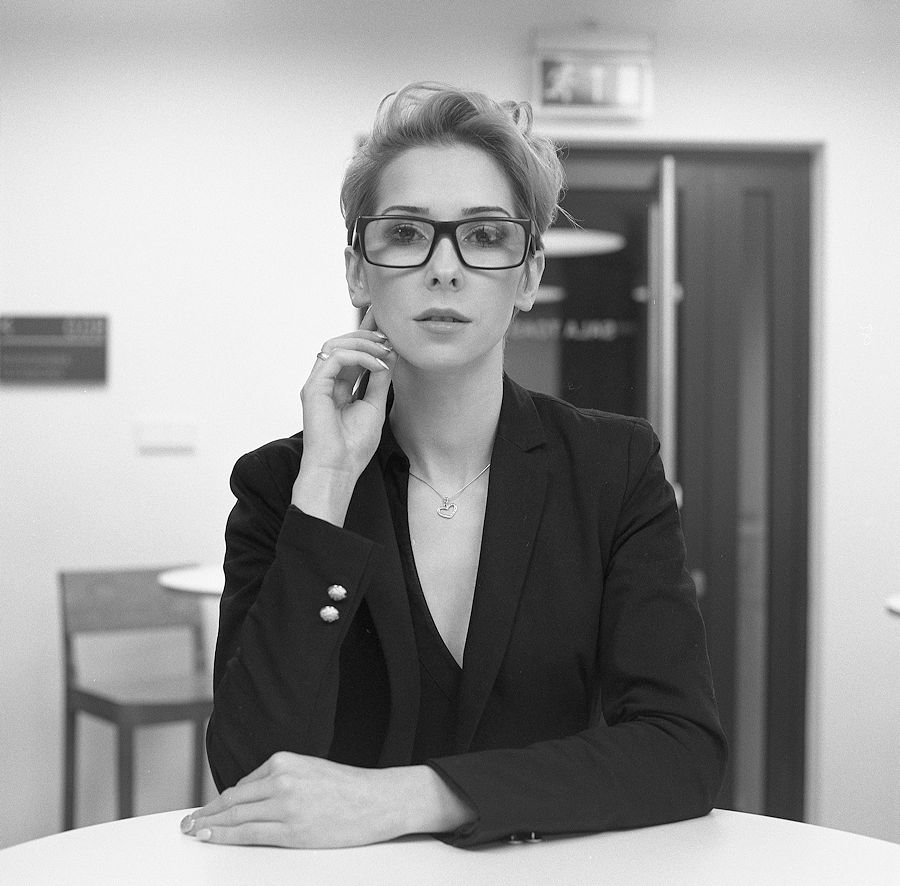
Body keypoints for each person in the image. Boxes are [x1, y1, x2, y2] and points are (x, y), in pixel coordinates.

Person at [181, 82, 727, 849]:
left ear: (528, 275)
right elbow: (248, 773)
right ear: (358, 272)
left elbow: (681, 750)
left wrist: (418, 796)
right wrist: (327, 488)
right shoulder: (283, 485)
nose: (444, 268)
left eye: (486, 235)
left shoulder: (612, 468)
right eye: (406, 233)